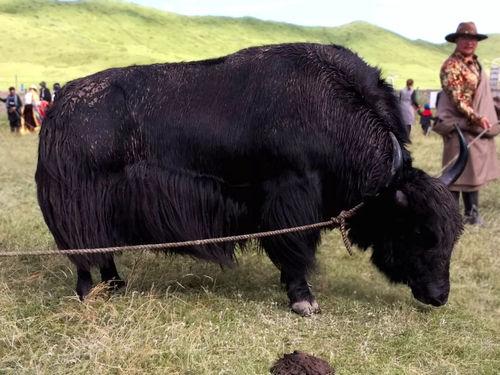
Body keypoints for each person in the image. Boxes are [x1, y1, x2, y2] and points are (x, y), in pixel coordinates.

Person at [434, 22, 500, 225]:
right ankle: (450, 217)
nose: (469, 42)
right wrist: (477, 117)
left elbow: (482, 94)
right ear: (456, 41)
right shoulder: (451, 66)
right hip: (459, 124)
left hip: (474, 125)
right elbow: (458, 99)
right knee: (455, 170)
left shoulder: (476, 64)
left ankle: (472, 214)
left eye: (472, 39)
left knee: (472, 171)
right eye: (464, 38)